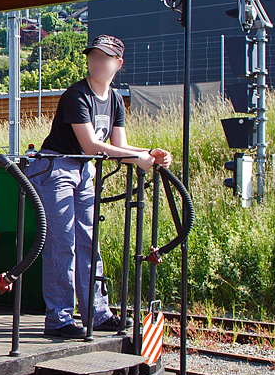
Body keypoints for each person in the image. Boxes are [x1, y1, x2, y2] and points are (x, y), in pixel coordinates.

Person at [29, 34, 172, 338]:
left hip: (82, 170)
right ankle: (59, 318)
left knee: (89, 241)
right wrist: (139, 157)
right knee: (63, 243)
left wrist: (152, 154)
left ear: (117, 64)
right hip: (55, 167)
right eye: (93, 56)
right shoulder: (77, 95)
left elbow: (119, 144)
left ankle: (97, 312)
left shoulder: (116, 99)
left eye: (105, 58)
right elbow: (93, 145)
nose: (97, 62)